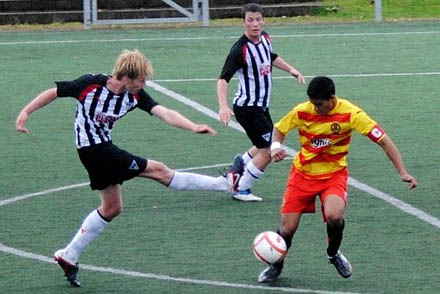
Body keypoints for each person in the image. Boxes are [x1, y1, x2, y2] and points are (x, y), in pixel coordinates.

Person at [15, 49, 238, 287]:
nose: (144, 84)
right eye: (141, 80)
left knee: (112, 208)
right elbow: (54, 92)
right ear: (126, 77)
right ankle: (225, 183)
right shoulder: (90, 85)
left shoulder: (135, 95)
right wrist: (25, 112)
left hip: (101, 150)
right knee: (159, 171)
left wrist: (192, 126)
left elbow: (164, 112)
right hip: (95, 151)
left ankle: (68, 255)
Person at [258, 76, 418, 283]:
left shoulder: (351, 114)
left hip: (333, 175)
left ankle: (333, 254)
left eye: (319, 104)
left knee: (335, 216)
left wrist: (403, 172)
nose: (315, 109)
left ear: (332, 99)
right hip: (302, 174)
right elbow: (279, 129)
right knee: (287, 229)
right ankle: (276, 265)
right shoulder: (302, 110)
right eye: (312, 103)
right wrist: (276, 147)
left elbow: (384, 141)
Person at [217, 3, 306, 202]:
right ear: (243, 23)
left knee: (262, 143)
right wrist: (223, 106)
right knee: (268, 149)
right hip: (248, 108)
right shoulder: (240, 50)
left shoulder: (265, 38)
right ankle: (241, 188)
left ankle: (238, 166)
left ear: (263, 20)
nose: (255, 24)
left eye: (258, 20)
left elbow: (271, 57)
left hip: (261, 106)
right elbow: (223, 79)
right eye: (250, 20)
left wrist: (291, 69)